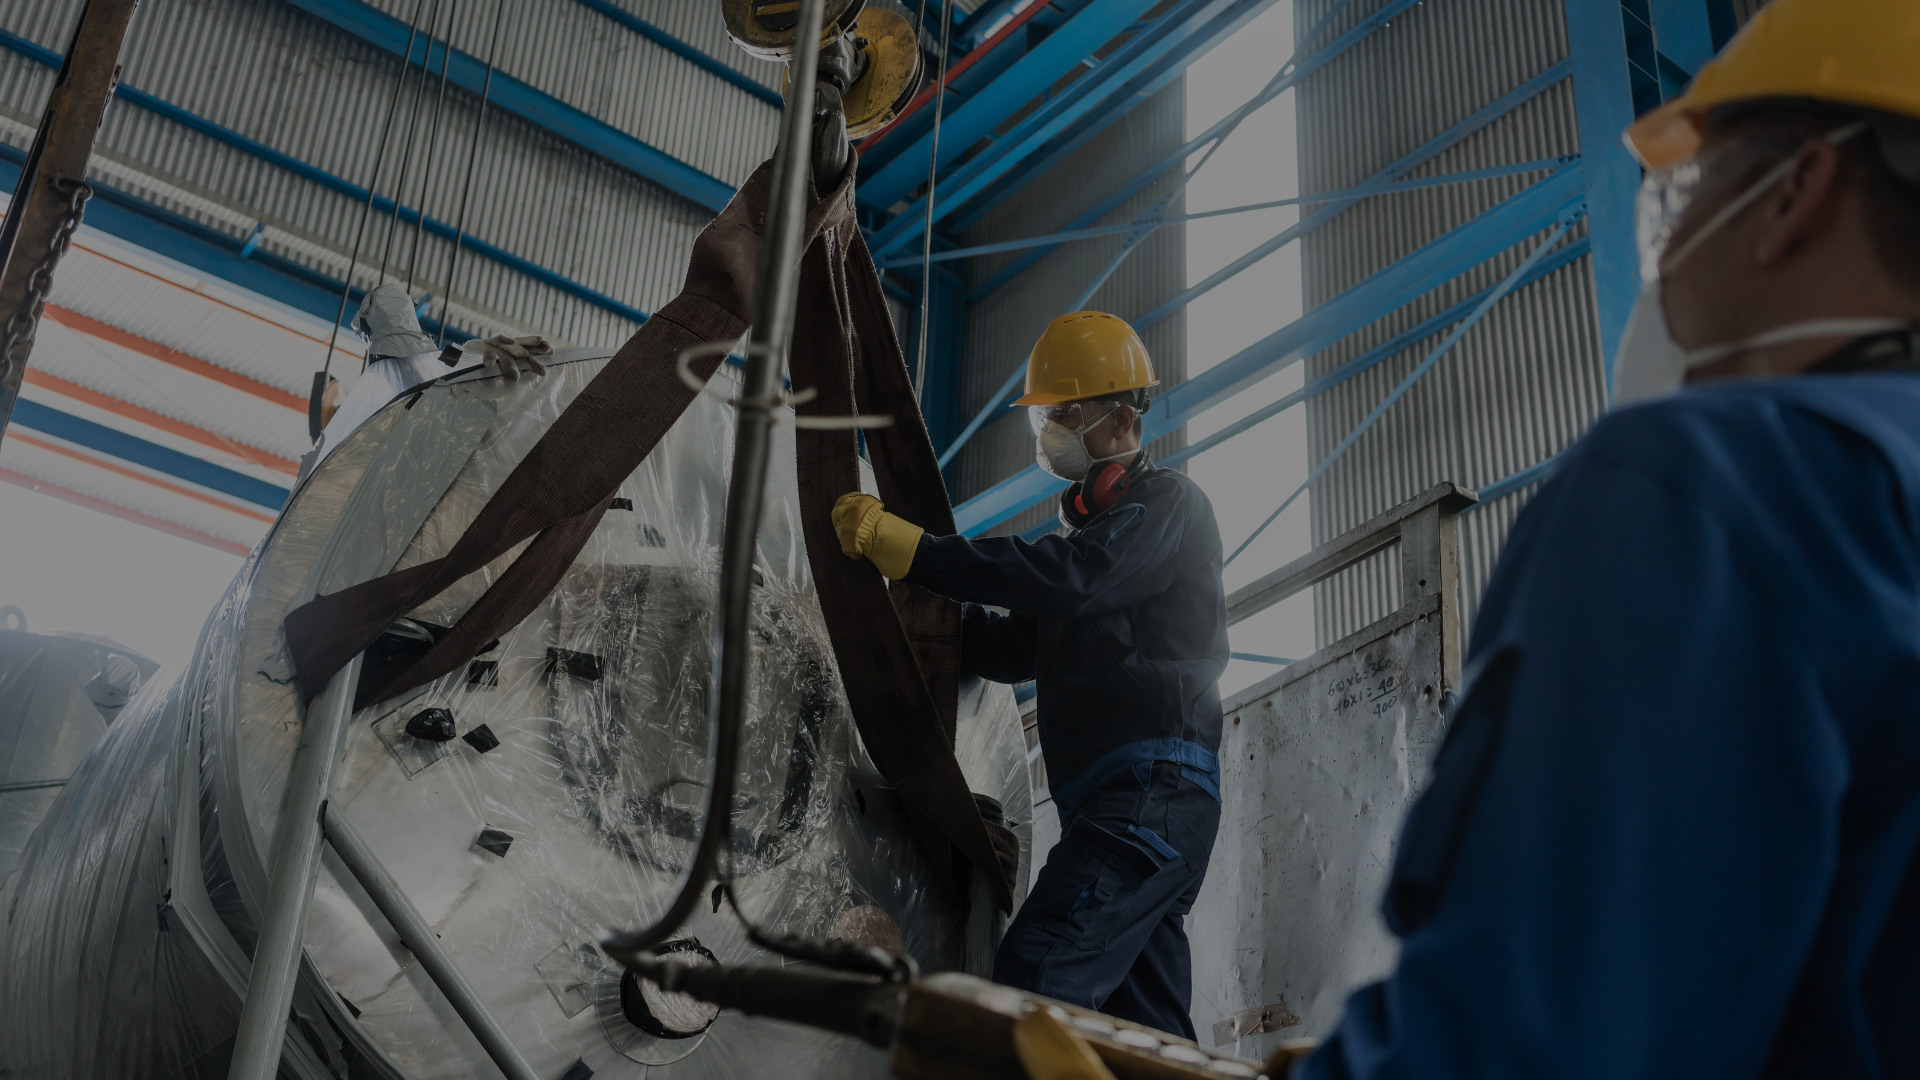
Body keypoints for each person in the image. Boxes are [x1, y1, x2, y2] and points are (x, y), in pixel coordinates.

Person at [1299, 0, 1920, 1076]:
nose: (1670, 257)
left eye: (1685, 198)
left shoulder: (1712, 493)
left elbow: (1528, 1046)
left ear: (1797, 194)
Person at [831, 311, 1229, 1039]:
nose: (1051, 431)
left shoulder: (1169, 507)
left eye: (1065, 414)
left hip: (1147, 796)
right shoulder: (1093, 548)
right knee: (1152, 1038)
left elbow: (1075, 580)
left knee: (1033, 989)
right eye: (1045, 416)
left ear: (1122, 417)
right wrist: (893, 612)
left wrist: (920, 552)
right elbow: (1013, 648)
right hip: (1118, 807)